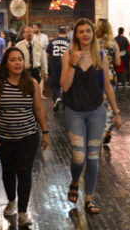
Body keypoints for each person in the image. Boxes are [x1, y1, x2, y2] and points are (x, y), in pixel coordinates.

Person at [61, 18, 121, 214]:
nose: (85, 34)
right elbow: (65, 86)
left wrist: (116, 112)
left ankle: (89, 198)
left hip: (97, 110)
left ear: (93, 34)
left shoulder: (100, 55)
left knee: (93, 156)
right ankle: (75, 180)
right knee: (79, 156)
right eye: (81, 31)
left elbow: (107, 86)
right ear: (76, 35)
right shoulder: (68, 54)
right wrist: (73, 63)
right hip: (75, 111)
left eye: (88, 31)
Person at [0, 47, 50, 228]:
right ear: (6, 63)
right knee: (8, 171)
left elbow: (38, 109)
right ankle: (11, 200)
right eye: (13, 60)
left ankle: (22, 212)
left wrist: (45, 131)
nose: (17, 63)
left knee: (24, 171)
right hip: (4, 137)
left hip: (27, 135)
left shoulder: (31, 83)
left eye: (20, 59)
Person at [96, 18, 121, 145]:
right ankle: (106, 130)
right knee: (110, 105)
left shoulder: (94, 43)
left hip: (96, 75)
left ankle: (99, 129)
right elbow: (118, 62)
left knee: (99, 103)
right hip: (110, 76)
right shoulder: (113, 43)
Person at [47, 25, 71, 110]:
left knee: (55, 85)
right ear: (66, 32)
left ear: (58, 32)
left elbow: (48, 54)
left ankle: (56, 98)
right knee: (66, 84)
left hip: (55, 65)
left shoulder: (52, 41)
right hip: (67, 66)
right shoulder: (70, 42)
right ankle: (65, 103)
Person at [32, 23, 49, 98]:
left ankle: (41, 93)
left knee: (42, 76)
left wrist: (45, 59)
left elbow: (45, 48)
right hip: (34, 59)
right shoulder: (32, 36)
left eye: (35, 27)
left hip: (42, 58)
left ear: (39, 28)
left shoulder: (44, 36)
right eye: (33, 27)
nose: (33, 29)